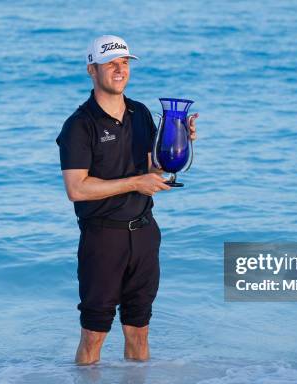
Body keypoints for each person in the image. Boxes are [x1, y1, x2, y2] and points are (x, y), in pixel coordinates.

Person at [55, 35, 198, 365]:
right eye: (110, 64)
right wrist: (137, 182)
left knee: (139, 329)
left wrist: (179, 143)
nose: (120, 70)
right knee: (94, 333)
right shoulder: (79, 125)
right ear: (92, 69)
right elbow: (76, 189)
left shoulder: (140, 114)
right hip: (103, 237)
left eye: (124, 63)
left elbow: (153, 168)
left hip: (145, 233)